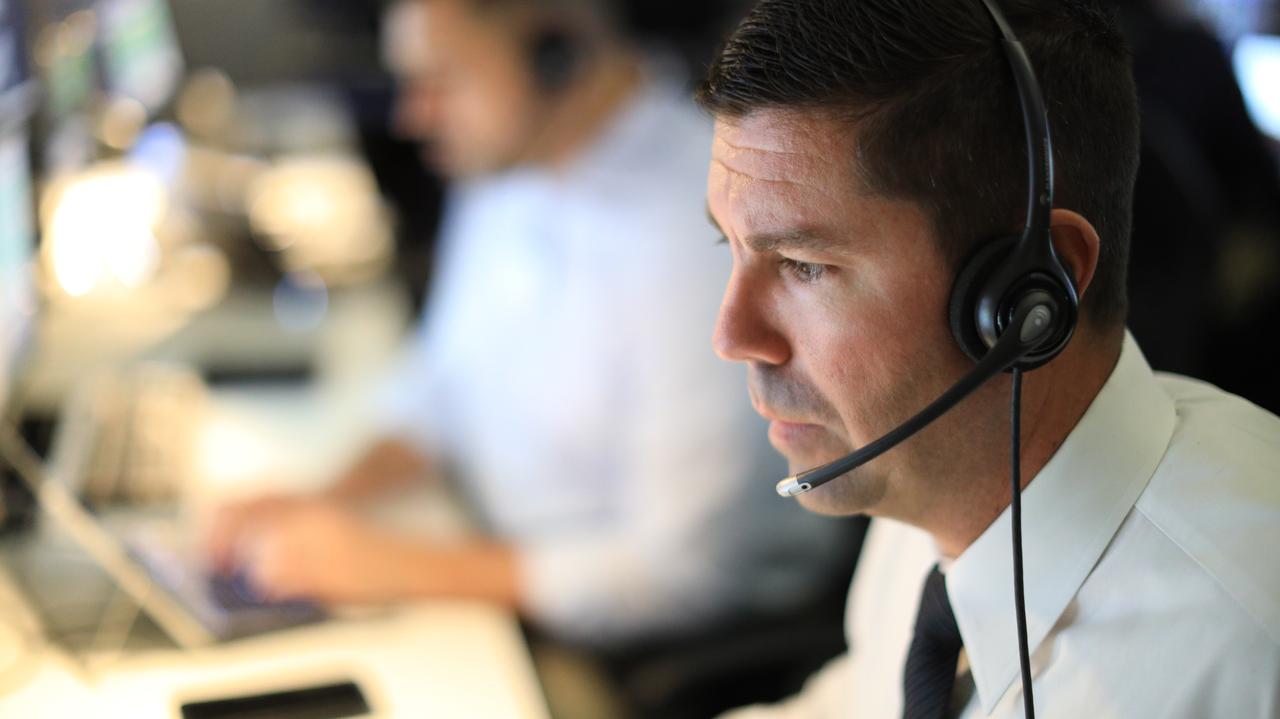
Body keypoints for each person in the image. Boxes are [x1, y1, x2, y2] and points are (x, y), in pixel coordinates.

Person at [204, 0, 846, 652]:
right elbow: (444, 382)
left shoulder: (700, 225)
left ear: (554, 57)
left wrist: (393, 566)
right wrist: (330, 500)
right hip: (490, 565)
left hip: (634, 649)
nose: (413, 114)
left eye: (443, 80)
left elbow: (686, 567)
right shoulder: (510, 164)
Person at [697, 0, 1280, 717]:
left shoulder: (1248, 646)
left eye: (803, 265)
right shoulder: (924, 486)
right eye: (729, 245)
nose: (732, 335)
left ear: (1027, 292)